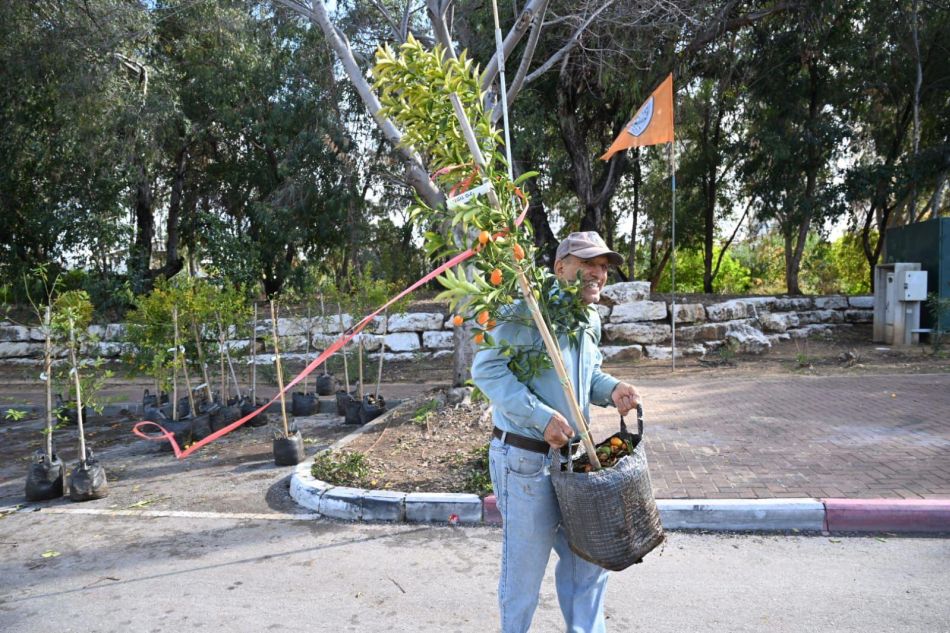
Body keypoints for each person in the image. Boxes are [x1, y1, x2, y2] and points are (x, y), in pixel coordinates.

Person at [471, 231, 642, 633]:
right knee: (524, 576)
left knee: (589, 563)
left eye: (603, 266)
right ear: (560, 266)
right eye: (588, 263)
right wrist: (540, 417)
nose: (598, 273)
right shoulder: (525, 312)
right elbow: (487, 370)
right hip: (526, 460)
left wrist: (612, 388)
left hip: (576, 461)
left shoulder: (589, 318)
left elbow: (586, 377)